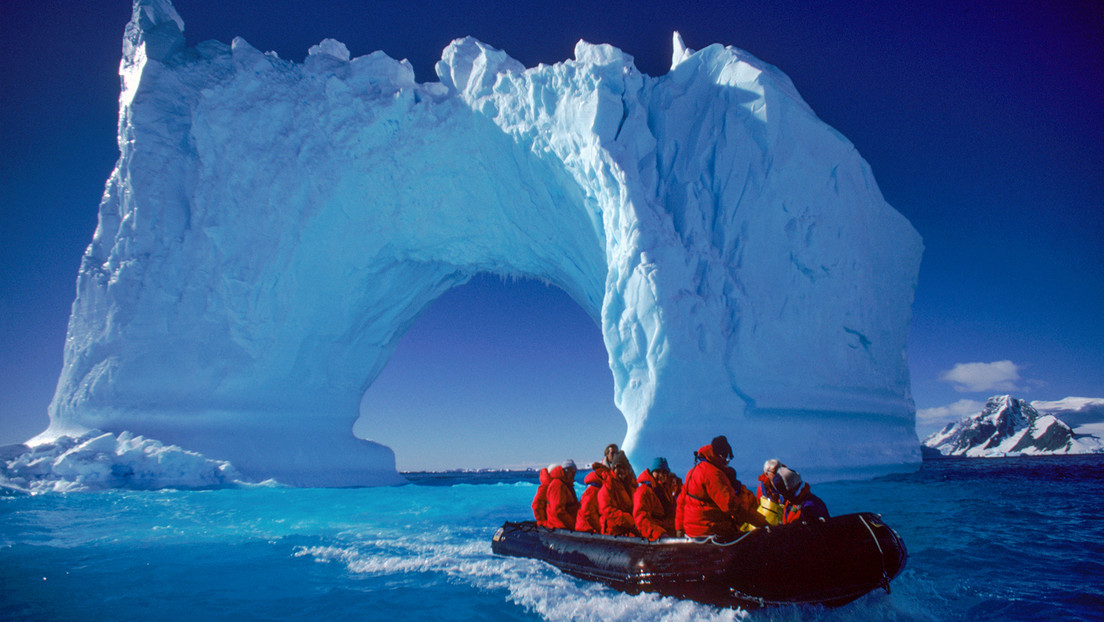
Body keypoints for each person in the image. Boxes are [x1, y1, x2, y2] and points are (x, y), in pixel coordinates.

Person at [676, 436, 766, 539]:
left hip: (692, 532)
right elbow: (731, 505)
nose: (727, 463)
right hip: (709, 530)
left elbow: (681, 502)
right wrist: (761, 522)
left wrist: (679, 529)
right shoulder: (713, 474)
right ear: (720, 456)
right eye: (727, 458)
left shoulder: (692, 471)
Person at [634, 457, 676, 540]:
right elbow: (641, 520)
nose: (661, 475)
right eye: (657, 472)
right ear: (652, 472)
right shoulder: (644, 491)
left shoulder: (665, 490)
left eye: (664, 473)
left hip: (667, 533)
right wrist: (659, 534)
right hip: (653, 537)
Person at [598, 450, 637, 536]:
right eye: (618, 467)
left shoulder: (631, 485)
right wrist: (631, 521)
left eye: (624, 468)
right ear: (613, 469)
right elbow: (607, 510)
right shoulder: (608, 486)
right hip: (613, 532)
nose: (622, 471)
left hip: (629, 529)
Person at [545, 459, 580, 530]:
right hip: (560, 526)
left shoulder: (566, 484)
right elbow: (557, 510)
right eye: (572, 472)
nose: (573, 475)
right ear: (566, 471)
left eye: (574, 472)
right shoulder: (558, 485)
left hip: (566, 525)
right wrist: (573, 524)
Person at [575, 461, 608, 533]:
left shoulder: (596, 488)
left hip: (589, 528)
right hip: (586, 529)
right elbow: (587, 512)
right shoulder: (593, 490)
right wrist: (599, 528)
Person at [755, 459, 785, 526]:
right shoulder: (762, 489)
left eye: (780, 472)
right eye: (775, 472)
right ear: (766, 473)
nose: (778, 475)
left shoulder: (787, 483)